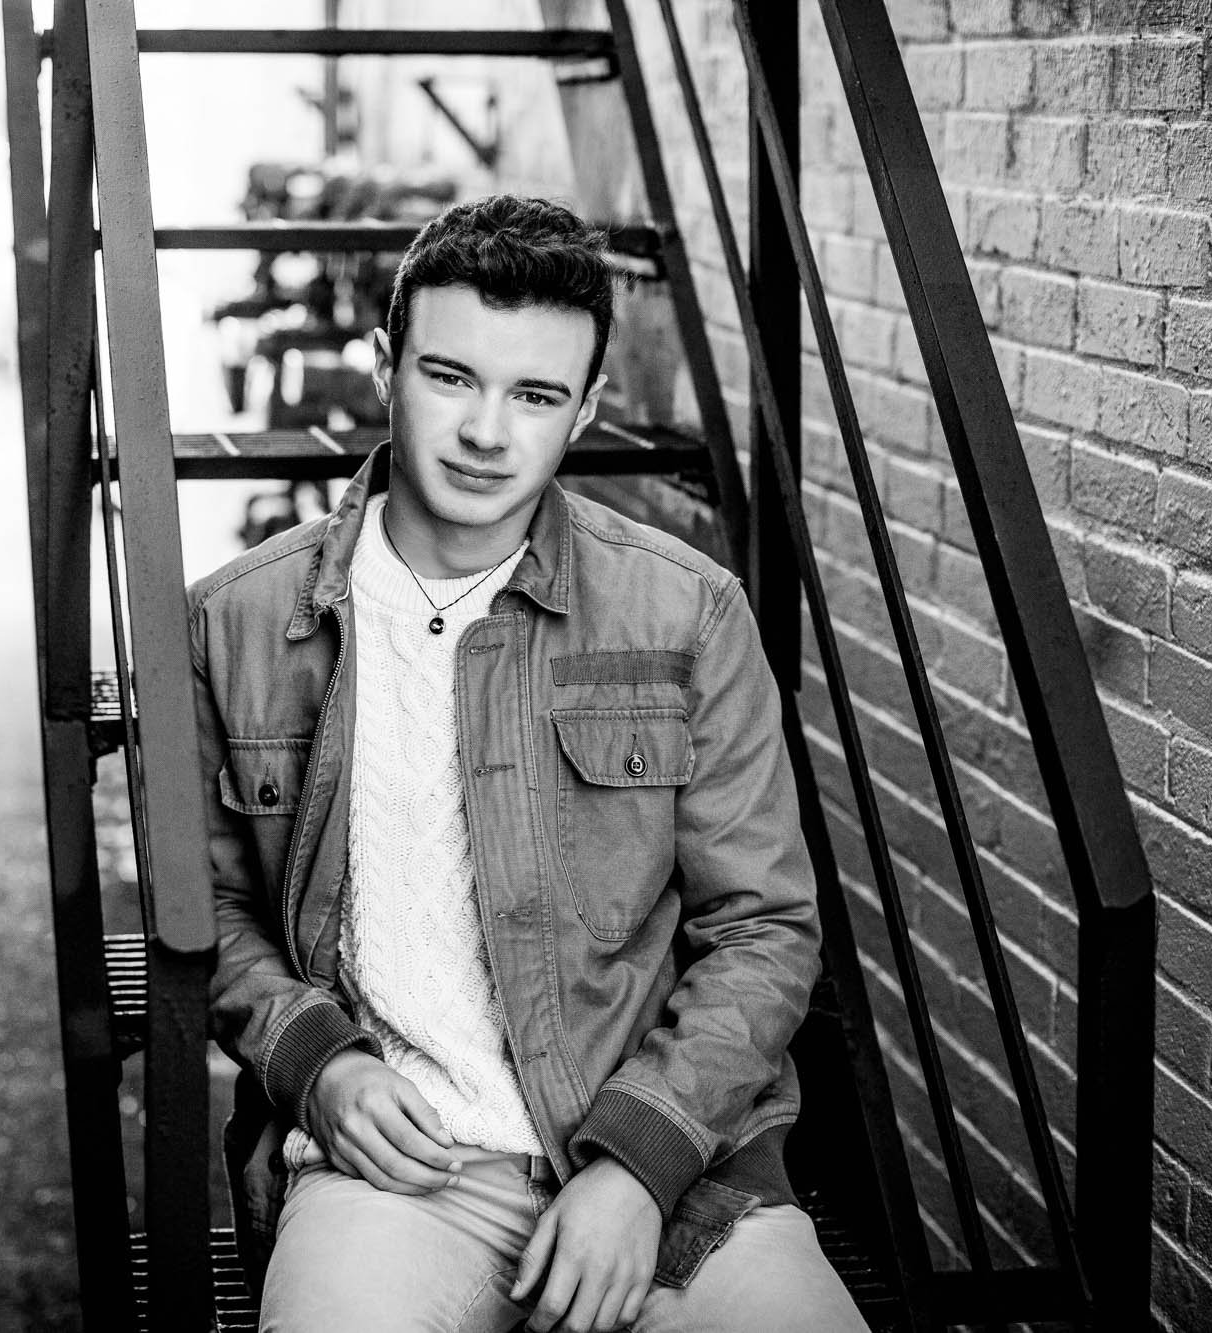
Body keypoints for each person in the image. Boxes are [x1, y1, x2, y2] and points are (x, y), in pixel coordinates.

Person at [190, 194, 866, 1332]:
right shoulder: (239, 623)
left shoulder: (683, 610)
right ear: (383, 365)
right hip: (394, 1174)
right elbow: (208, 911)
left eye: (536, 394)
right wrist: (318, 1063)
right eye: (450, 377)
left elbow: (762, 926)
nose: (486, 432)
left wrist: (638, 1162)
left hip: (672, 1169)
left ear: (585, 407)